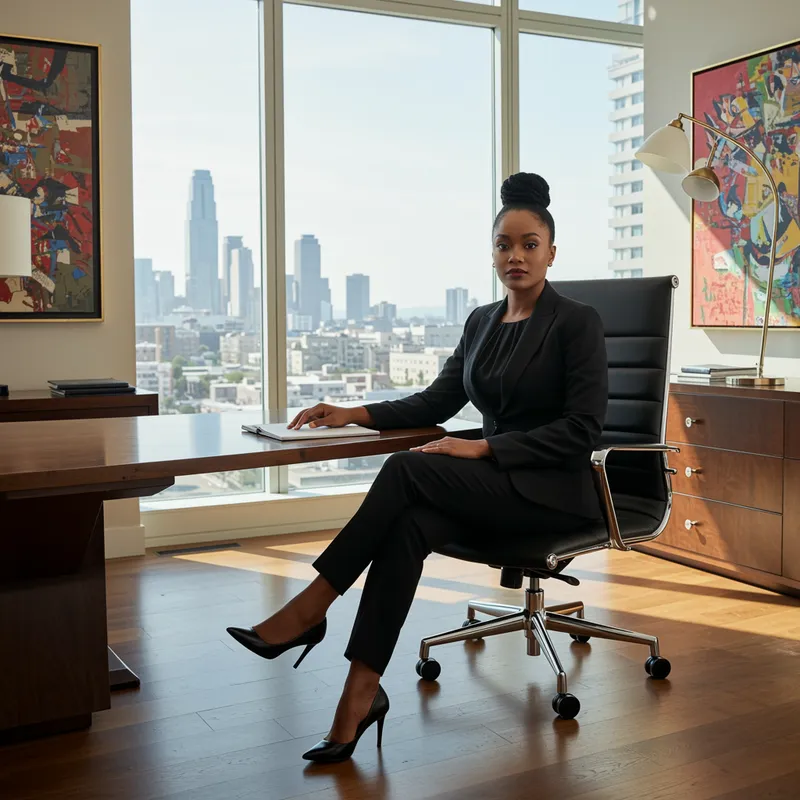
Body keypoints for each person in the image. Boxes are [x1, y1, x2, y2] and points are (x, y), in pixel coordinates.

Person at [227, 172, 608, 763]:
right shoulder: (482, 321)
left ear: (551, 252)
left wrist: (483, 448)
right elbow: (435, 402)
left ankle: (310, 608)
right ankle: (358, 698)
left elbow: (583, 430)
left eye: (530, 244)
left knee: (407, 470)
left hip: (553, 491)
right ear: (492, 253)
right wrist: (352, 411)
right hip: (498, 489)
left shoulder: (576, 321)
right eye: (504, 244)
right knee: (407, 527)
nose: (516, 255)